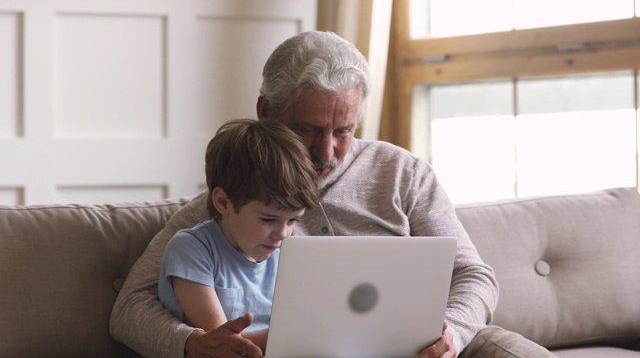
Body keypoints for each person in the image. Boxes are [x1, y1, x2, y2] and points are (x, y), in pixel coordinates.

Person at [110, 31, 553, 358]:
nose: (327, 151)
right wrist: (192, 344)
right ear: (267, 111)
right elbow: (129, 307)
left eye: (343, 131)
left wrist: (451, 334)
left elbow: (474, 276)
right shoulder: (227, 211)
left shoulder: (403, 174)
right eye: (308, 129)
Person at [157, 118, 318, 353]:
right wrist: (305, 336)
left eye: (293, 220)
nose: (283, 233)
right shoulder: (191, 249)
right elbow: (224, 344)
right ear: (223, 202)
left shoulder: (287, 254)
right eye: (268, 219)